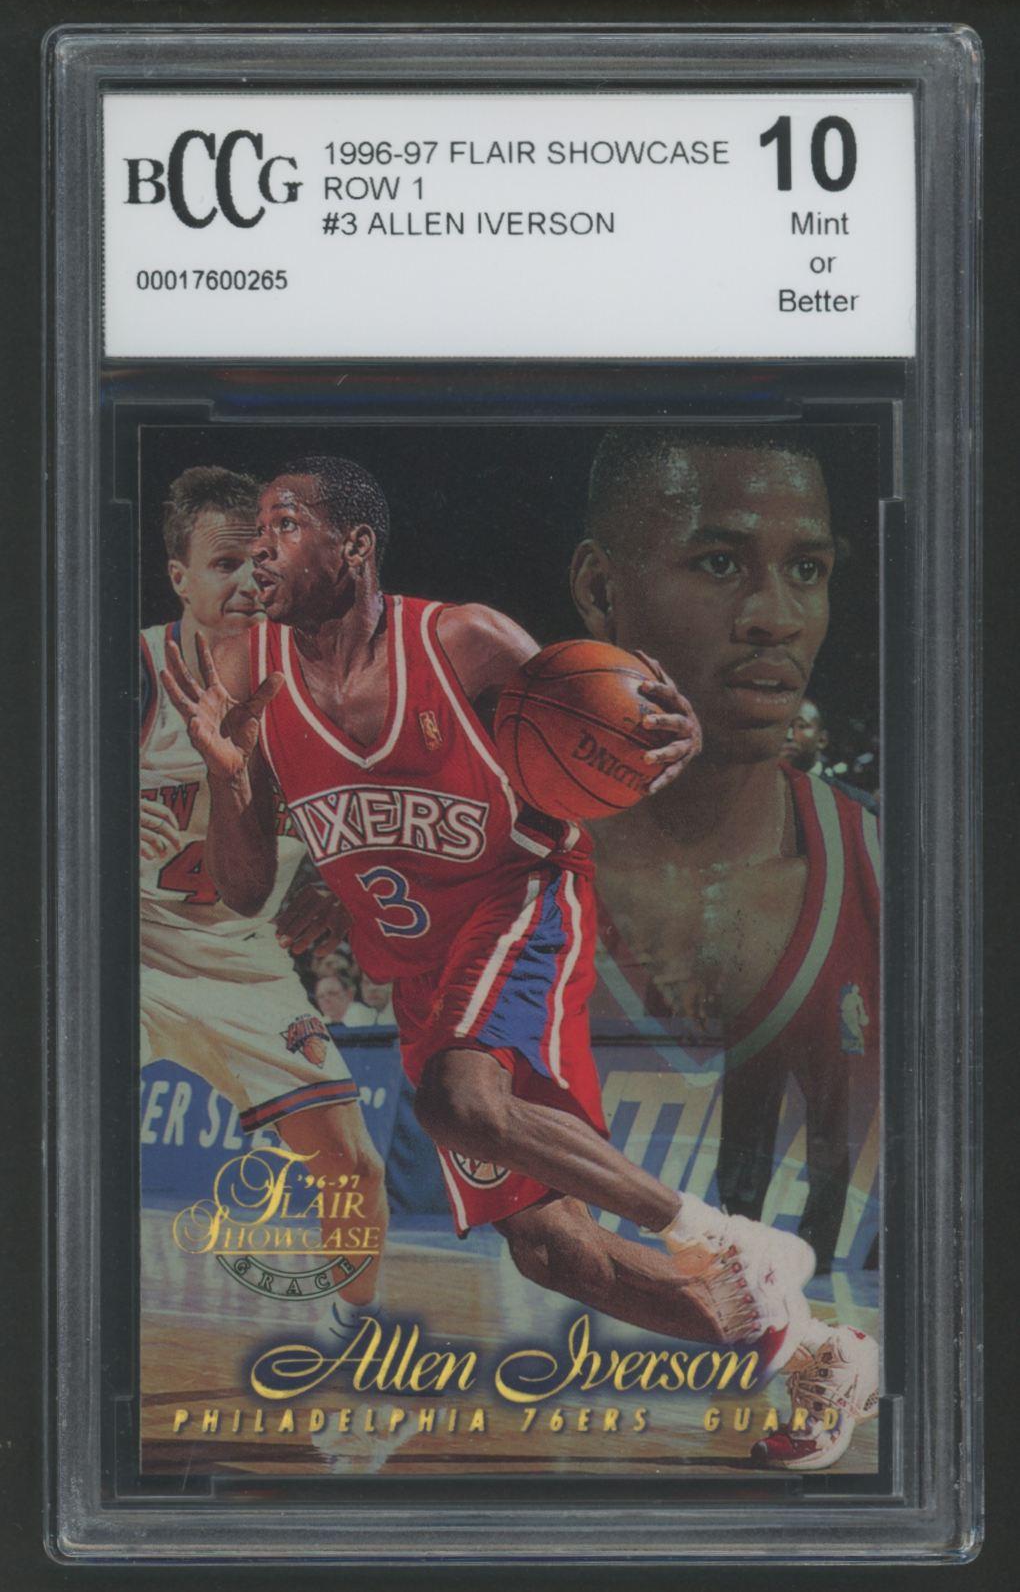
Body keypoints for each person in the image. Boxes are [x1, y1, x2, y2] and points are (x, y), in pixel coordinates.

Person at [163, 453, 872, 1472]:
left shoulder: (461, 640)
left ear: (353, 547)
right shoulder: (245, 673)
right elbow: (239, 890)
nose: (258, 548)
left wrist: (668, 739)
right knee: (556, 1253)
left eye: (281, 526)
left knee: (459, 1098)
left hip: (520, 902)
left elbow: (609, 727)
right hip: (420, 976)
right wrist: (229, 777)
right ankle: (814, 1352)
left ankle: (718, 1237)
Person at [571, 429, 881, 1467]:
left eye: (809, 570)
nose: (775, 616)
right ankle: (791, 1315)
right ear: (601, 592)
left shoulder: (894, 871)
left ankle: (806, 1325)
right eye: (718, 562)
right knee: (543, 1233)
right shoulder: (503, 853)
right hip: (545, 1396)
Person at [140, 466, 389, 1346]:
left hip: (246, 966)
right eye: (223, 564)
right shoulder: (127, 672)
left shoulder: (320, 678)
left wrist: (337, 881)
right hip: (121, 959)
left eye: (261, 559)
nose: (249, 580)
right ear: (179, 578)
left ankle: (351, 1335)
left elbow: (380, 813)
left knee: (354, 1168)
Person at [782, 698, 878, 812]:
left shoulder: (860, 804)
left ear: (822, 740)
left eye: (801, 726)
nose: (788, 735)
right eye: (781, 726)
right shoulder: (763, 795)